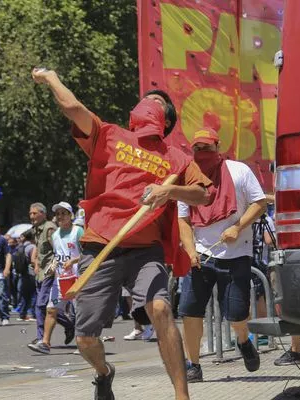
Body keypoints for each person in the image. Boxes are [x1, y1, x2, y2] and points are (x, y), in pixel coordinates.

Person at [32, 67, 214, 400]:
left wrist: (168, 192)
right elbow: (73, 110)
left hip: (146, 251)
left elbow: (204, 194)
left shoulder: (178, 159)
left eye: (157, 101)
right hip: (100, 247)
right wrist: (52, 77)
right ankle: (103, 372)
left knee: (160, 309)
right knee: (86, 338)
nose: (148, 102)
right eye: (146, 99)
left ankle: (181, 395)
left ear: (167, 121)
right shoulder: (109, 134)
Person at [177, 127, 267, 383]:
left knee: (237, 315)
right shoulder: (188, 178)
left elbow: (259, 203)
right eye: (197, 148)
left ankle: (243, 340)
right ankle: (193, 365)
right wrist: (190, 251)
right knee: (190, 313)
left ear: (218, 147)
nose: (202, 152)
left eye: (207, 147)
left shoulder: (239, 171)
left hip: (236, 254)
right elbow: (183, 219)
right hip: (201, 257)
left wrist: (237, 227)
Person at [28, 201, 82, 354]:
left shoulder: (78, 232)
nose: (60, 216)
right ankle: (45, 343)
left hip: (77, 278)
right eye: (58, 214)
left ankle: (82, 343)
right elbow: (57, 255)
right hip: (61, 279)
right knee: (51, 309)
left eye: (63, 213)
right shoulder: (56, 234)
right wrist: (52, 266)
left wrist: (73, 260)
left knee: (79, 311)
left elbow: (88, 253)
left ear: (70, 215)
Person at [14, 230, 36, 321]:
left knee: (24, 295)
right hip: (31, 273)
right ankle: (33, 314)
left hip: (23, 273)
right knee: (35, 294)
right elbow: (33, 260)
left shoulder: (20, 247)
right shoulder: (32, 247)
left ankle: (22, 314)